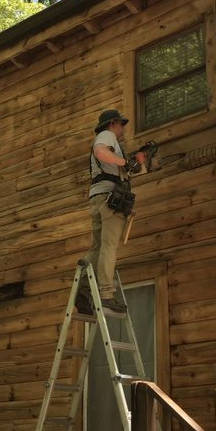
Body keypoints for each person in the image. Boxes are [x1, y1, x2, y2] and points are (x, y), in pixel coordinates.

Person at [78, 109, 146, 315]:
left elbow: (115, 166)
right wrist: (126, 162)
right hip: (110, 199)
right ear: (113, 123)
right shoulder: (106, 136)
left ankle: (83, 287)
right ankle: (106, 294)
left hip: (99, 198)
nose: (123, 128)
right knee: (109, 246)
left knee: (98, 246)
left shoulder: (113, 146)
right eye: (121, 124)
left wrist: (135, 161)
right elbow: (100, 152)